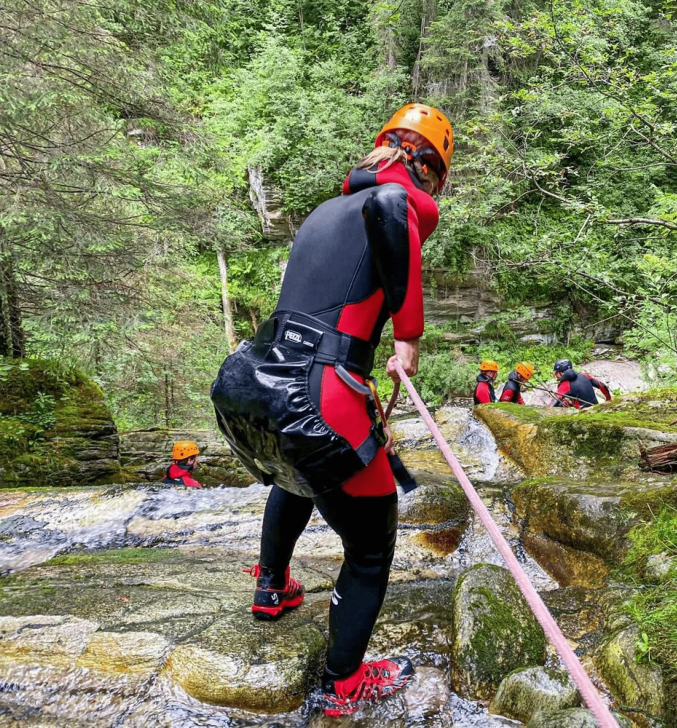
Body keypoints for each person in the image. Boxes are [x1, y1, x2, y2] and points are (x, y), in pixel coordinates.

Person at [210, 103, 453, 717]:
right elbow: (395, 209)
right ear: (431, 172)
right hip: (322, 390)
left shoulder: (323, 212)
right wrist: (408, 338)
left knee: (299, 473)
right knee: (370, 550)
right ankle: (344, 682)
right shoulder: (398, 203)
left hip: (258, 385)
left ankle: (271, 587)